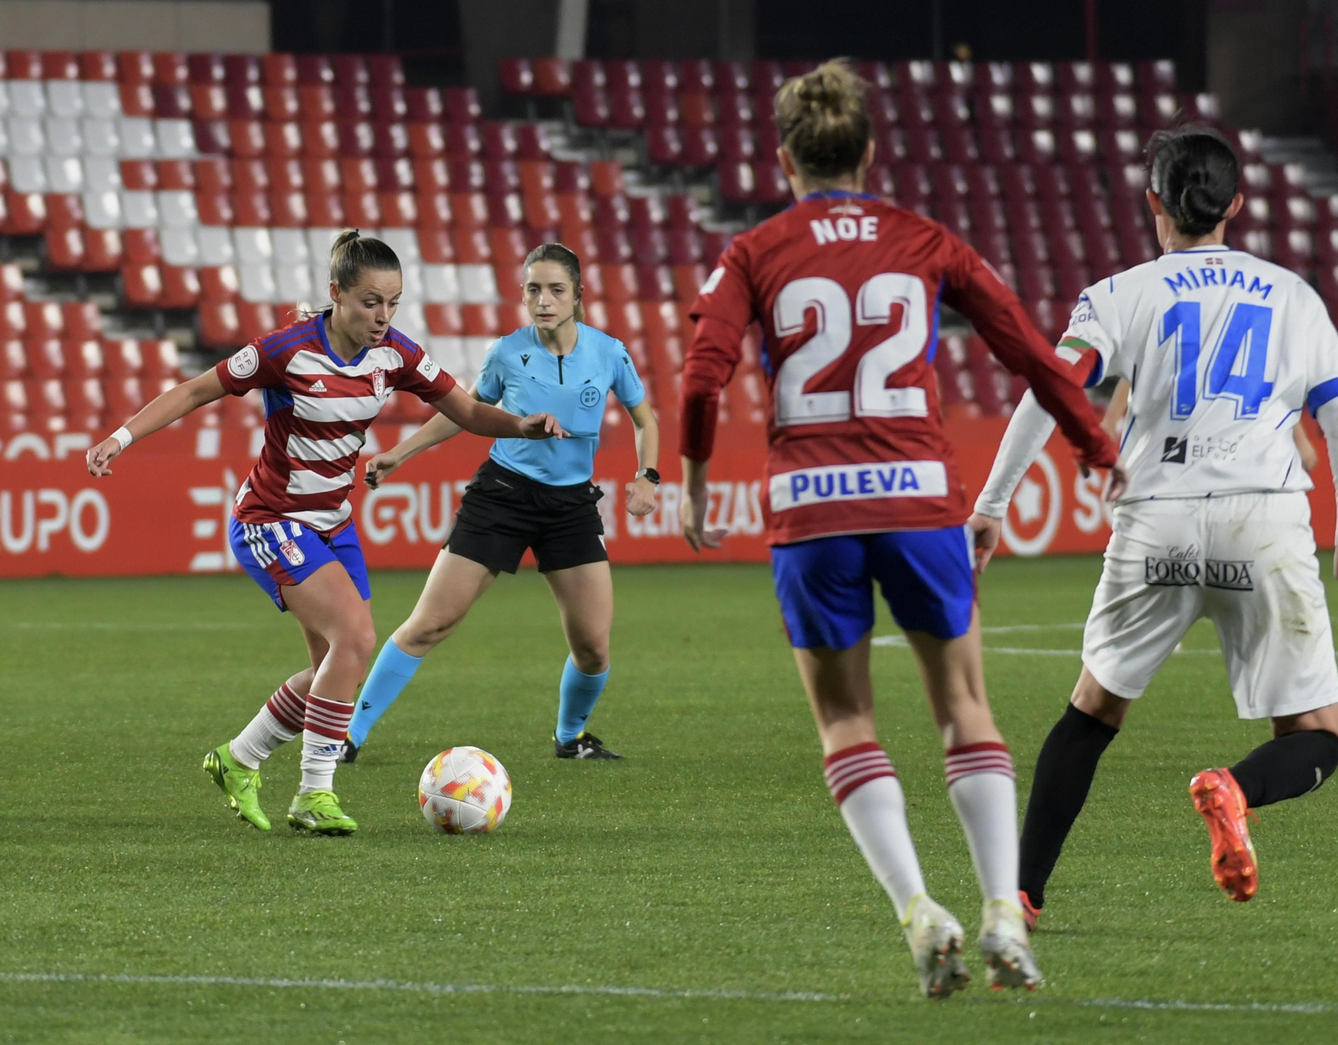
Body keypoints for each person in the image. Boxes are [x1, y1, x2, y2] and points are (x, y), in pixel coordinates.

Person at [677, 60, 1120, 998]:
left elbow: (700, 377)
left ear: (784, 158)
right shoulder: (925, 239)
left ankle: (921, 911)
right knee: (964, 707)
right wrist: (1096, 445)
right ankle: (1004, 906)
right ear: (870, 151)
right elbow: (1033, 355)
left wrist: (695, 482)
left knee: (845, 719)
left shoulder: (754, 251)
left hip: (815, 509)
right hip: (920, 499)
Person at [968, 124, 1338, 936]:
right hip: (1264, 518)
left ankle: (1021, 892)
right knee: (1318, 736)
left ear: (1153, 202)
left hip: (1154, 519)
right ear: (1236, 203)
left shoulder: (1121, 294)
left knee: (1090, 712)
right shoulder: (1294, 295)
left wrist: (991, 504)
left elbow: (1053, 388)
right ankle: (1235, 789)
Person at [85, 231, 564, 835]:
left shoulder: (397, 355)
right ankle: (314, 795)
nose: (383, 317)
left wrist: (522, 426)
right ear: (335, 293)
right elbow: (195, 389)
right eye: (370, 302)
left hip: (334, 524)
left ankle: (239, 758)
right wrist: (120, 438)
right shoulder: (285, 350)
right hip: (271, 519)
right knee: (357, 640)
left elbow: (466, 411)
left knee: (335, 669)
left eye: (393, 302)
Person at [344, 243, 658, 762]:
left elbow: (645, 420)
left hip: (572, 507)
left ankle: (570, 737)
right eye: (533, 289)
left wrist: (647, 475)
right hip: (503, 497)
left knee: (594, 647)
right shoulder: (507, 353)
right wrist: (400, 454)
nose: (544, 300)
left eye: (556, 290)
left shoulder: (609, 352)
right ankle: (347, 735)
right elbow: (463, 411)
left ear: (578, 296)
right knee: (429, 624)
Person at [1102, 378, 1319, 471]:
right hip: (1178, 438)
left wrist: (1300, 439)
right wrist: (1110, 420)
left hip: (1230, 441)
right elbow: (1135, 370)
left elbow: (1268, 383)